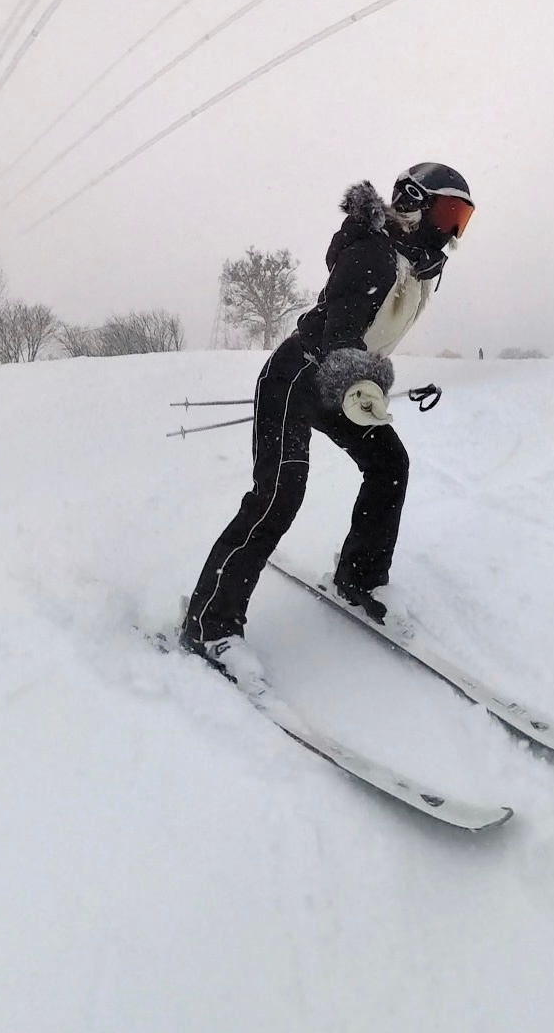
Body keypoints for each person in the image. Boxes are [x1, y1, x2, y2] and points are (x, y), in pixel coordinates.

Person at [180, 162, 475, 664]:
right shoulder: (372, 254)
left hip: (345, 386)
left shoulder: (417, 267)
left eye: (461, 219)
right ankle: (209, 625)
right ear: (410, 202)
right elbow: (341, 330)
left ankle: (358, 579)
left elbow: (372, 334)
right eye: (446, 212)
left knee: (389, 465)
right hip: (298, 377)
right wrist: (360, 382)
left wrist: (361, 384)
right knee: (278, 497)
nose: (450, 231)